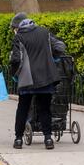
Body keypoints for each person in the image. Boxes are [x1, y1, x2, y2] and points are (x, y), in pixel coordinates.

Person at [10, 13, 66, 150]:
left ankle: (18, 139)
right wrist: (53, 58)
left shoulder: (19, 37)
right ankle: (48, 139)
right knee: (45, 108)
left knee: (23, 108)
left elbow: (16, 59)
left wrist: (15, 74)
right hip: (46, 77)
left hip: (27, 79)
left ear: (18, 26)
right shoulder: (44, 32)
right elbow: (60, 47)